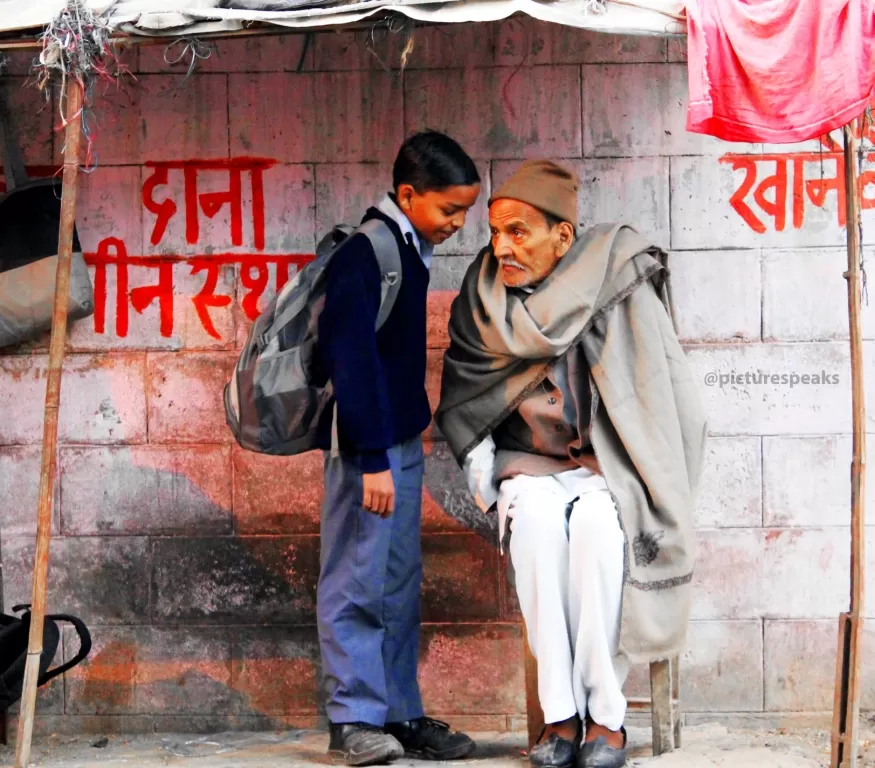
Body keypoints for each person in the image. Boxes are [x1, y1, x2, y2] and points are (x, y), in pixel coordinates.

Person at [435, 160, 706, 768]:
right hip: (527, 464)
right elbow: (464, 401)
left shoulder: (613, 278)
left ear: (562, 236)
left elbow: (659, 390)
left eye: (518, 232)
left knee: (596, 533)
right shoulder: (482, 300)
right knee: (534, 529)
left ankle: (605, 720)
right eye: (495, 232)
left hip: (608, 465)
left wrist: (650, 477)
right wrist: (488, 483)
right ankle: (560, 717)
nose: (501, 248)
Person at [316, 131, 481, 767]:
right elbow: (352, 363)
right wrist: (374, 458)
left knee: (396, 583)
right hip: (370, 453)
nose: (458, 222)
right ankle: (354, 719)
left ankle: (399, 713)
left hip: (400, 446)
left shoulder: (410, 247)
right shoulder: (366, 252)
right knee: (356, 582)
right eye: (449, 209)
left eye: (464, 211)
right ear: (408, 195)